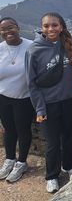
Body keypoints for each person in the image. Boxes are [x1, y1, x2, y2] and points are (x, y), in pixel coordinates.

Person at [25, 12, 72, 193]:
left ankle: (68, 166)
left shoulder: (69, 45)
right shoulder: (34, 50)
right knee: (52, 143)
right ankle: (51, 175)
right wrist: (40, 108)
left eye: (54, 25)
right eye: (47, 26)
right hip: (48, 104)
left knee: (68, 136)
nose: (51, 29)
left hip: (70, 100)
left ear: (61, 27)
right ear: (41, 28)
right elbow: (31, 84)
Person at [0, 17, 34, 183]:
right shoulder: (0, 49)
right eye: (3, 30)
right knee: (8, 129)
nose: (7, 32)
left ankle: (21, 162)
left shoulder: (31, 46)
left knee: (23, 129)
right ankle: (10, 159)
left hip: (24, 98)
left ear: (18, 27)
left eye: (10, 27)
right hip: (3, 97)